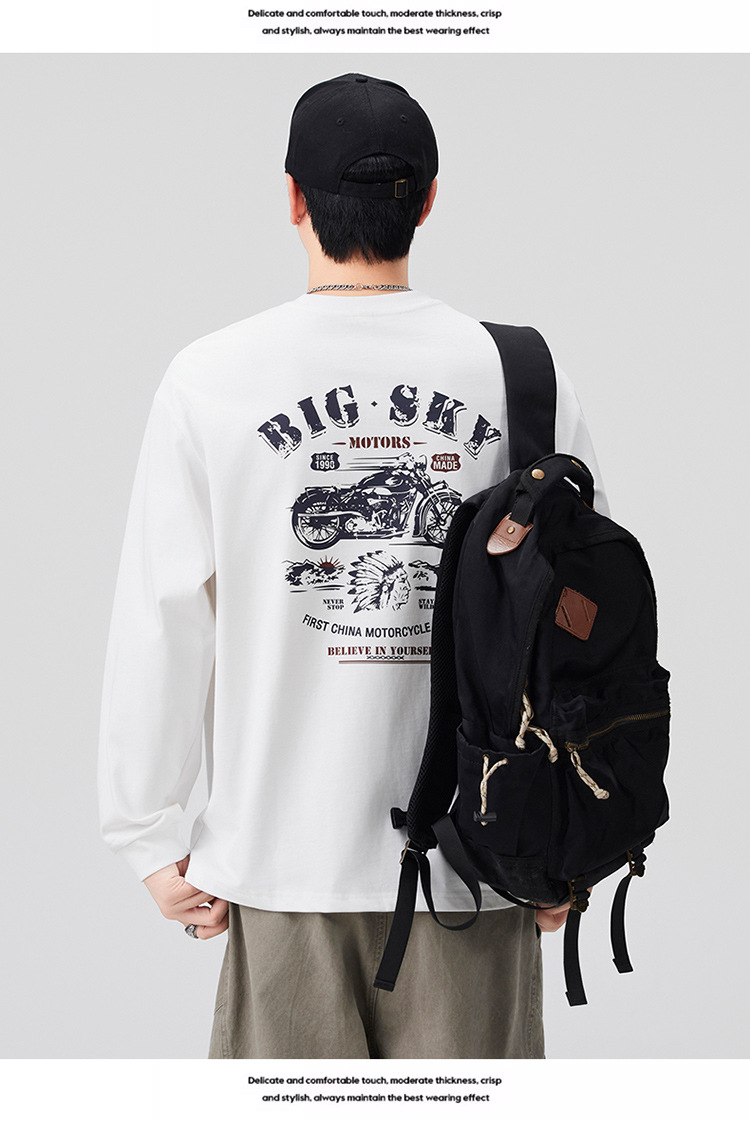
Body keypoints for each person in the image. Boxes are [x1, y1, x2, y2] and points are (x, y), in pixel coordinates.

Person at [97, 72, 609, 1060]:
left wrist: (149, 833)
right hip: (479, 857)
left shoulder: (210, 378)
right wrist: (573, 837)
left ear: (293, 197)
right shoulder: (524, 376)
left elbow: (160, 620)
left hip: (283, 860)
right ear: (428, 199)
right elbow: (581, 620)